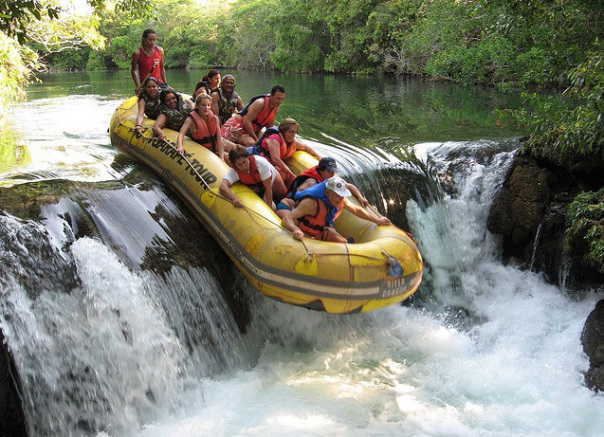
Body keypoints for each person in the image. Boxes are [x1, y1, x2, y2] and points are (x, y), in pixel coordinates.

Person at [281, 176, 391, 243]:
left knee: (343, 242)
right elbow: (287, 219)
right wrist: (295, 230)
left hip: (317, 231)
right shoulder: (311, 203)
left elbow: (356, 210)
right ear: (328, 193)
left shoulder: (339, 200)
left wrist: (378, 220)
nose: (340, 198)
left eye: (342, 195)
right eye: (337, 194)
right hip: (301, 229)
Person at [276, 156, 369, 217]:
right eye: (329, 171)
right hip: (289, 208)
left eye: (333, 171)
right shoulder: (312, 182)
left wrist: (361, 198)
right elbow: (299, 195)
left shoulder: (329, 180)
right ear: (321, 170)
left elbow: (350, 186)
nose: (332, 174)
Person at [249, 118, 320, 188]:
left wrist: (318, 157)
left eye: (295, 132)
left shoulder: (291, 141)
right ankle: (281, 195)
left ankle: (287, 194)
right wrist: (291, 173)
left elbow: (304, 147)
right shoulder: (274, 138)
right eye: (291, 132)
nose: (293, 135)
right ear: (284, 130)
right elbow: (276, 159)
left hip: (269, 164)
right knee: (284, 174)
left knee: (286, 175)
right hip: (257, 161)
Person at [220, 145, 288, 210]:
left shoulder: (260, 164)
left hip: (270, 177)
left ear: (248, 158)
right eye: (239, 165)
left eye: (244, 162)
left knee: (282, 195)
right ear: (235, 164)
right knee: (273, 207)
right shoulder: (234, 171)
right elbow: (223, 186)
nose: (244, 167)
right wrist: (234, 198)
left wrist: (269, 208)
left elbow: (268, 188)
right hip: (255, 184)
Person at [221, 84, 286, 147]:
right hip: (237, 126)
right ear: (271, 95)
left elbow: (269, 126)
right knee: (251, 143)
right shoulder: (260, 103)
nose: (280, 101)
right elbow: (246, 121)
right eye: (278, 98)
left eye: (282, 99)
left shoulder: (275, 108)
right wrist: (256, 139)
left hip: (248, 131)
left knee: (253, 143)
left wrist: (279, 137)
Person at [176, 93, 226, 158]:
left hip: (214, 147)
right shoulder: (191, 119)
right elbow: (181, 134)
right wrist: (180, 146)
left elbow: (219, 139)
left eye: (208, 105)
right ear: (197, 106)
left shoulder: (215, 119)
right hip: (202, 149)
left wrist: (222, 157)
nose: (206, 108)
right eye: (203, 105)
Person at [131, 29, 167, 94]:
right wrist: (137, 86)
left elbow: (162, 69)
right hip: (146, 86)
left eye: (154, 40)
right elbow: (133, 70)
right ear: (144, 39)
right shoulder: (137, 53)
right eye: (150, 40)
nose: (152, 42)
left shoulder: (160, 50)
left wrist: (166, 84)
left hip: (159, 84)